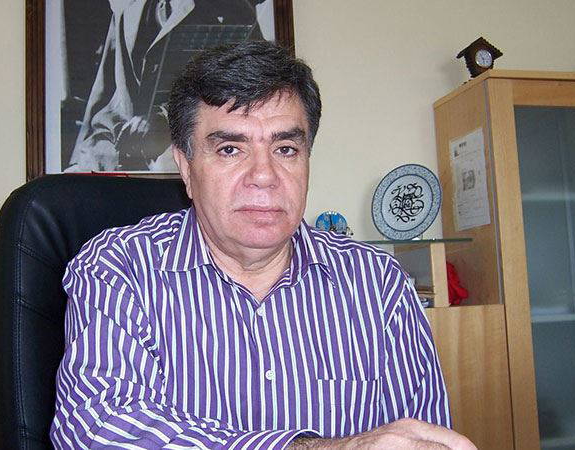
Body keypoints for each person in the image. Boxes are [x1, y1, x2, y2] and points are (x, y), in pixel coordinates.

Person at [51, 41, 476, 449]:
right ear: (185, 165)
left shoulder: (378, 282)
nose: (264, 176)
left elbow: (424, 438)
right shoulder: (118, 269)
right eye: (230, 149)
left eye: (286, 149)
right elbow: (96, 431)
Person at [65, 0, 271, 173]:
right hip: (126, 161)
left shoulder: (232, 8)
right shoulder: (127, 14)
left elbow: (255, 88)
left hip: (192, 161)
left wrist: (164, 118)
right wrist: (85, 159)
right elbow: (104, 98)